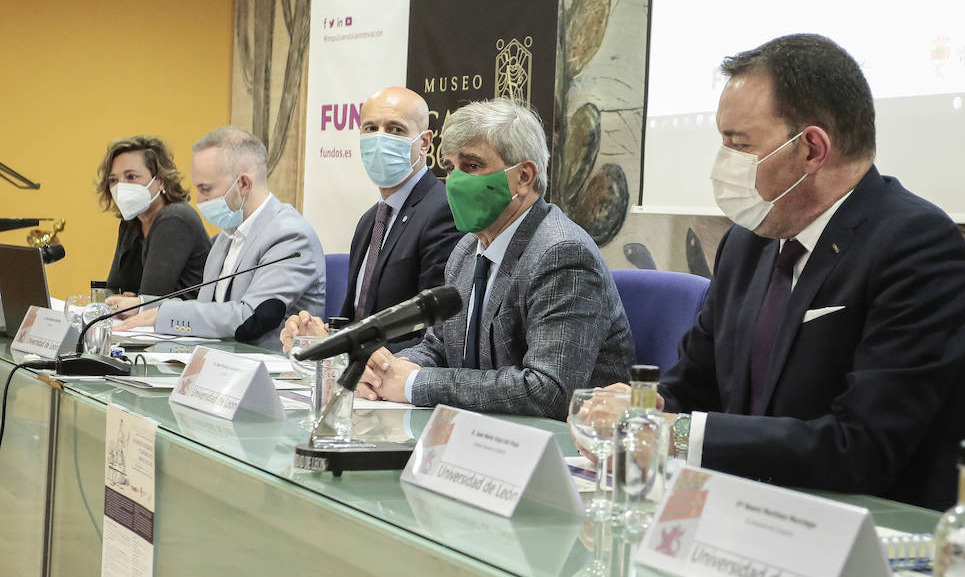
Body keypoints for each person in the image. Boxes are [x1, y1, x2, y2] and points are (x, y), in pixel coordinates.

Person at [651, 33, 965, 508]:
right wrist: (644, 411)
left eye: (739, 145)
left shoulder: (916, 245)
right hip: (740, 513)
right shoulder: (747, 242)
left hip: (864, 530)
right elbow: (693, 386)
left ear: (811, 149)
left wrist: (679, 434)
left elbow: (863, 447)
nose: (723, 164)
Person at [356, 98, 634, 418]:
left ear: (524, 176)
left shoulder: (562, 254)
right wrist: (386, 370)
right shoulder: (464, 251)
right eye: (450, 167)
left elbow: (549, 390)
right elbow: (438, 348)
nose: (456, 182)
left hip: (564, 449)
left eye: (472, 166)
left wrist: (415, 383)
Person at [280, 86, 463, 352]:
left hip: (397, 379)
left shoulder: (443, 210)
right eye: (370, 128)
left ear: (424, 143)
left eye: (395, 129)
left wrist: (342, 349)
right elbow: (355, 323)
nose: (380, 138)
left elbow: (436, 336)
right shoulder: (370, 221)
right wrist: (314, 337)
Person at [112, 126, 326, 348]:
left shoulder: (289, 235)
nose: (199, 199)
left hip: (272, 373)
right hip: (220, 364)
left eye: (206, 189)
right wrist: (143, 306)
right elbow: (209, 309)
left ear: (243, 184)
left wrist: (165, 315)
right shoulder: (227, 235)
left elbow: (251, 318)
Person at [95, 135, 210, 299]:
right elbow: (112, 289)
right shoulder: (131, 222)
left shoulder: (175, 218)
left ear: (160, 181)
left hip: (182, 323)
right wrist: (121, 300)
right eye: (113, 180)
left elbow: (150, 298)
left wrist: (131, 301)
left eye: (131, 177)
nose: (121, 186)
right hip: (142, 323)